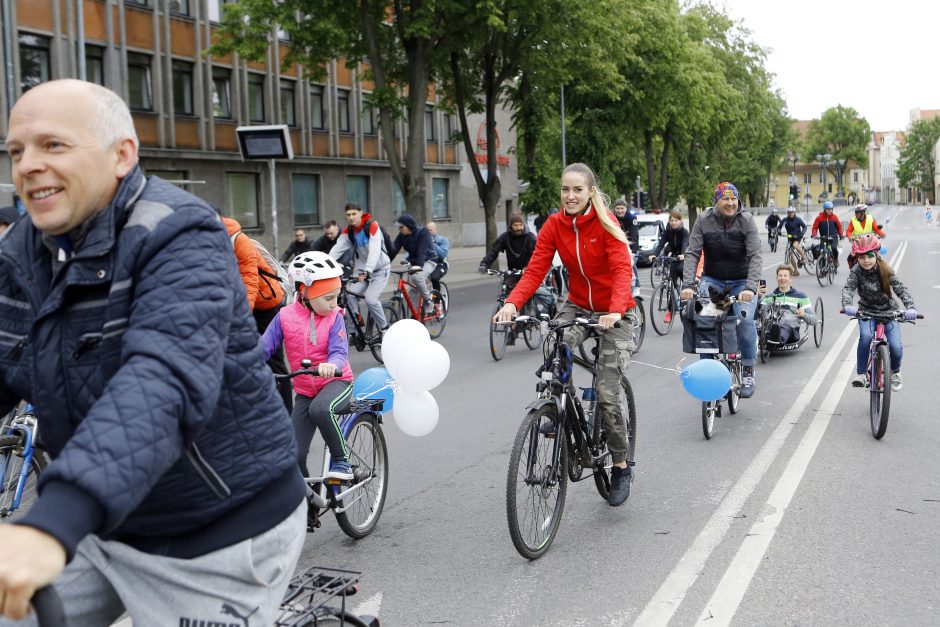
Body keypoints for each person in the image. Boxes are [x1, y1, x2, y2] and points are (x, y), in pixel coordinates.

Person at [0, 80, 304, 624]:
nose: (28, 165)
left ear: (122, 155)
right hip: (104, 519)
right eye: (16, 151)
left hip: (215, 536)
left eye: (53, 145)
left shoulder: (180, 232)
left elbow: (162, 381)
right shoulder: (22, 249)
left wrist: (55, 520)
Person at [495, 163, 636, 507]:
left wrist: (616, 309)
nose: (570, 196)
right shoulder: (554, 225)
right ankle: (558, 407)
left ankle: (619, 465)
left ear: (590, 192)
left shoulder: (607, 224)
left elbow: (621, 270)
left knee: (606, 392)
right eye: (565, 190)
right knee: (556, 346)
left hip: (615, 312)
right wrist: (513, 303)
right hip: (577, 305)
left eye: (577, 190)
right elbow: (536, 269)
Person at [262, 251, 355, 479]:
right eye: (328, 298)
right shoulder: (284, 316)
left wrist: (331, 365)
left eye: (336, 296)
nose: (335, 304)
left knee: (321, 409)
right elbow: (263, 347)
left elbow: (339, 351)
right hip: (304, 390)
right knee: (292, 455)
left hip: (337, 382)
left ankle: (342, 460)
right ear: (303, 291)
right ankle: (310, 505)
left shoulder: (335, 317)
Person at [681, 182, 762, 398]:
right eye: (725, 199)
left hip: (741, 282)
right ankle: (708, 374)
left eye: (733, 199)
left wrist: (751, 287)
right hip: (715, 281)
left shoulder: (746, 220)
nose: (730, 203)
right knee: (706, 320)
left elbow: (755, 255)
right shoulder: (703, 220)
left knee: (744, 320)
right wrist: (688, 285)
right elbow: (692, 253)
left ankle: (747, 368)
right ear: (716, 201)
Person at [222, 214, 292, 411]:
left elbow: (250, 280)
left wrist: (241, 315)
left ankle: (289, 417)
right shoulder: (209, 243)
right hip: (244, 305)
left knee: (274, 362)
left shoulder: (239, 241)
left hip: (267, 304)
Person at [841, 234, 918, 392]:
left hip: (889, 313)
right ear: (857, 258)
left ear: (876, 255)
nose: (866, 260)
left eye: (869, 256)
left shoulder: (885, 269)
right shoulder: (856, 271)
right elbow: (848, 289)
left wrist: (911, 308)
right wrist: (848, 305)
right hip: (866, 312)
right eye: (861, 257)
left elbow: (901, 289)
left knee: (896, 346)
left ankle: (895, 373)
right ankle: (861, 374)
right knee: (866, 337)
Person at [328, 203, 391, 330]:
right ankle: (354, 330)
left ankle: (385, 328)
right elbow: (336, 249)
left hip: (379, 269)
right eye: (348, 215)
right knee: (350, 296)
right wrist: (326, 263)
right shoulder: (349, 232)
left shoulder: (372, 226)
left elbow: (375, 250)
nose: (351, 217)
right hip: (362, 271)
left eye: (354, 214)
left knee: (371, 300)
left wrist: (368, 270)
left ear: (360, 213)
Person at [389, 213, 439, 316]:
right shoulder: (402, 235)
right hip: (415, 262)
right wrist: (385, 264)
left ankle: (428, 300)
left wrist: (419, 266)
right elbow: (393, 250)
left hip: (429, 260)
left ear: (409, 226)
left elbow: (422, 251)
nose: (400, 229)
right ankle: (417, 314)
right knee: (412, 290)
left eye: (401, 227)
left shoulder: (423, 232)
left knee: (417, 277)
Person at [760, 264, 818, 345]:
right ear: (777, 278)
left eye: (785, 276)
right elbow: (758, 315)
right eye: (780, 275)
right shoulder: (769, 297)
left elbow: (815, 320)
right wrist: (758, 296)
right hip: (771, 327)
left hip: (791, 330)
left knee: (785, 325)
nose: (782, 278)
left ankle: (776, 339)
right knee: (763, 326)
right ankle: (768, 336)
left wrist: (803, 315)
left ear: (790, 278)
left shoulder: (801, 297)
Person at [647, 210, 688, 323]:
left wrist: (683, 254)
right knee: (671, 286)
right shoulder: (667, 232)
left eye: (676, 220)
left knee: (685, 278)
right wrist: (654, 254)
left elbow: (685, 243)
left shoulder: (684, 232)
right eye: (672, 220)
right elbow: (661, 243)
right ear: (669, 221)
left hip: (684, 258)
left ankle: (690, 300)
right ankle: (670, 311)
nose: (674, 222)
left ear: (680, 221)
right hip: (674, 258)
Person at [811, 200, 844, 271]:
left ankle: (835, 260)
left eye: (831, 209)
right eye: (828, 209)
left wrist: (841, 235)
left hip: (833, 237)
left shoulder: (834, 217)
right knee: (821, 252)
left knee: (834, 248)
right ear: (824, 209)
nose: (830, 211)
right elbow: (814, 228)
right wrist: (814, 234)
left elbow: (839, 227)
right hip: (824, 237)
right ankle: (822, 270)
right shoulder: (819, 218)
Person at [780, 207, 807, 275]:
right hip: (790, 238)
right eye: (789, 212)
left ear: (794, 213)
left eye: (792, 212)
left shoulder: (798, 219)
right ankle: (795, 270)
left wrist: (802, 233)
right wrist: (779, 232)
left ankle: (804, 257)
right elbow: (779, 227)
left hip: (797, 236)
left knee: (795, 245)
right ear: (787, 213)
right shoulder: (785, 220)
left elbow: (805, 227)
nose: (791, 214)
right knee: (790, 254)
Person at [426, 220, 450, 292]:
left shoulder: (443, 240)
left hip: (440, 264)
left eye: (430, 230)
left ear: (435, 230)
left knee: (434, 278)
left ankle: (437, 300)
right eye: (427, 230)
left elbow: (443, 254)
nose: (428, 232)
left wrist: (433, 244)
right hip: (428, 264)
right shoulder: (424, 240)